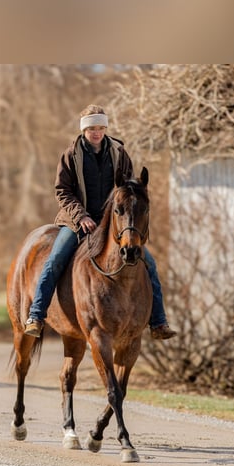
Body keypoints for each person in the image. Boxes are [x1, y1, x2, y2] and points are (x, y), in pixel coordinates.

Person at [24, 104, 176, 340]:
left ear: (105, 129)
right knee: (54, 260)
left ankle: (158, 321)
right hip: (76, 222)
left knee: (150, 265)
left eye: (100, 127)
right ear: (84, 130)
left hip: (113, 223)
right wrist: (81, 216)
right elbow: (62, 191)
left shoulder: (119, 153)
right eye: (91, 128)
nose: (96, 132)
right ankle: (36, 315)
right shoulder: (70, 155)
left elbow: (127, 190)